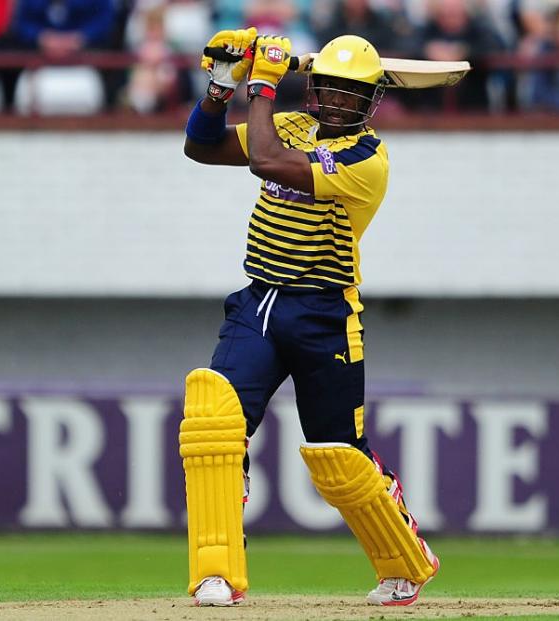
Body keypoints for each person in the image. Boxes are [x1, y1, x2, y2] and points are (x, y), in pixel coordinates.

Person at [179, 29, 440, 607]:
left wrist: (264, 81)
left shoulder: (367, 158)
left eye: (354, 92)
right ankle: (216, 572)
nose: (341, 101)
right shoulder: (292, 122)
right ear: (317, 88)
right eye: (332, 89)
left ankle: (405, 564)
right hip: (258, 302)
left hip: (325, 312)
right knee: (214, 426)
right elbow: (201, 146)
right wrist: (223, 86)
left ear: (372, 100)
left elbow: (267, 161)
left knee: (340, 456)